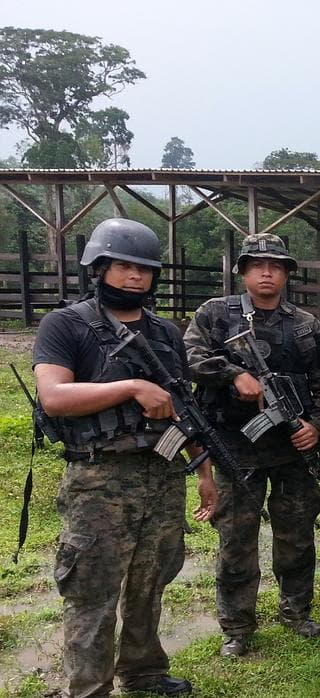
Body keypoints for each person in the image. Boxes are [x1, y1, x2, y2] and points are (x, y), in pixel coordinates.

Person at [33, 218, 215, 696]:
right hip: (99, 477)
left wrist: (204, 471)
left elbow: (183, 405)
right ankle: (90, 686)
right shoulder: (66, 324)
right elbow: (54, 397)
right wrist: (131, 387)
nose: (135, 277)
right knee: (91, 589)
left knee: (151, 579)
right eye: (123, 267)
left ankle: (144, 670)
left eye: (144, 269)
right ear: (99, 267)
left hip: (163, 471)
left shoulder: (165, 333)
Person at [183, 233, 320, 658]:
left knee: (297, 536)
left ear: (287, 272)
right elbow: (191, 358)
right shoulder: (215, 315)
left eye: (275, 265)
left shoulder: (305, 325)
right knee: (236, 539)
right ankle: (237, 625)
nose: (266, 272)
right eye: (257, 265)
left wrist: (318, 426)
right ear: (243, 271)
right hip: (236, 449)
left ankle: (296, 610)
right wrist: (232, 373)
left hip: (292, 450)